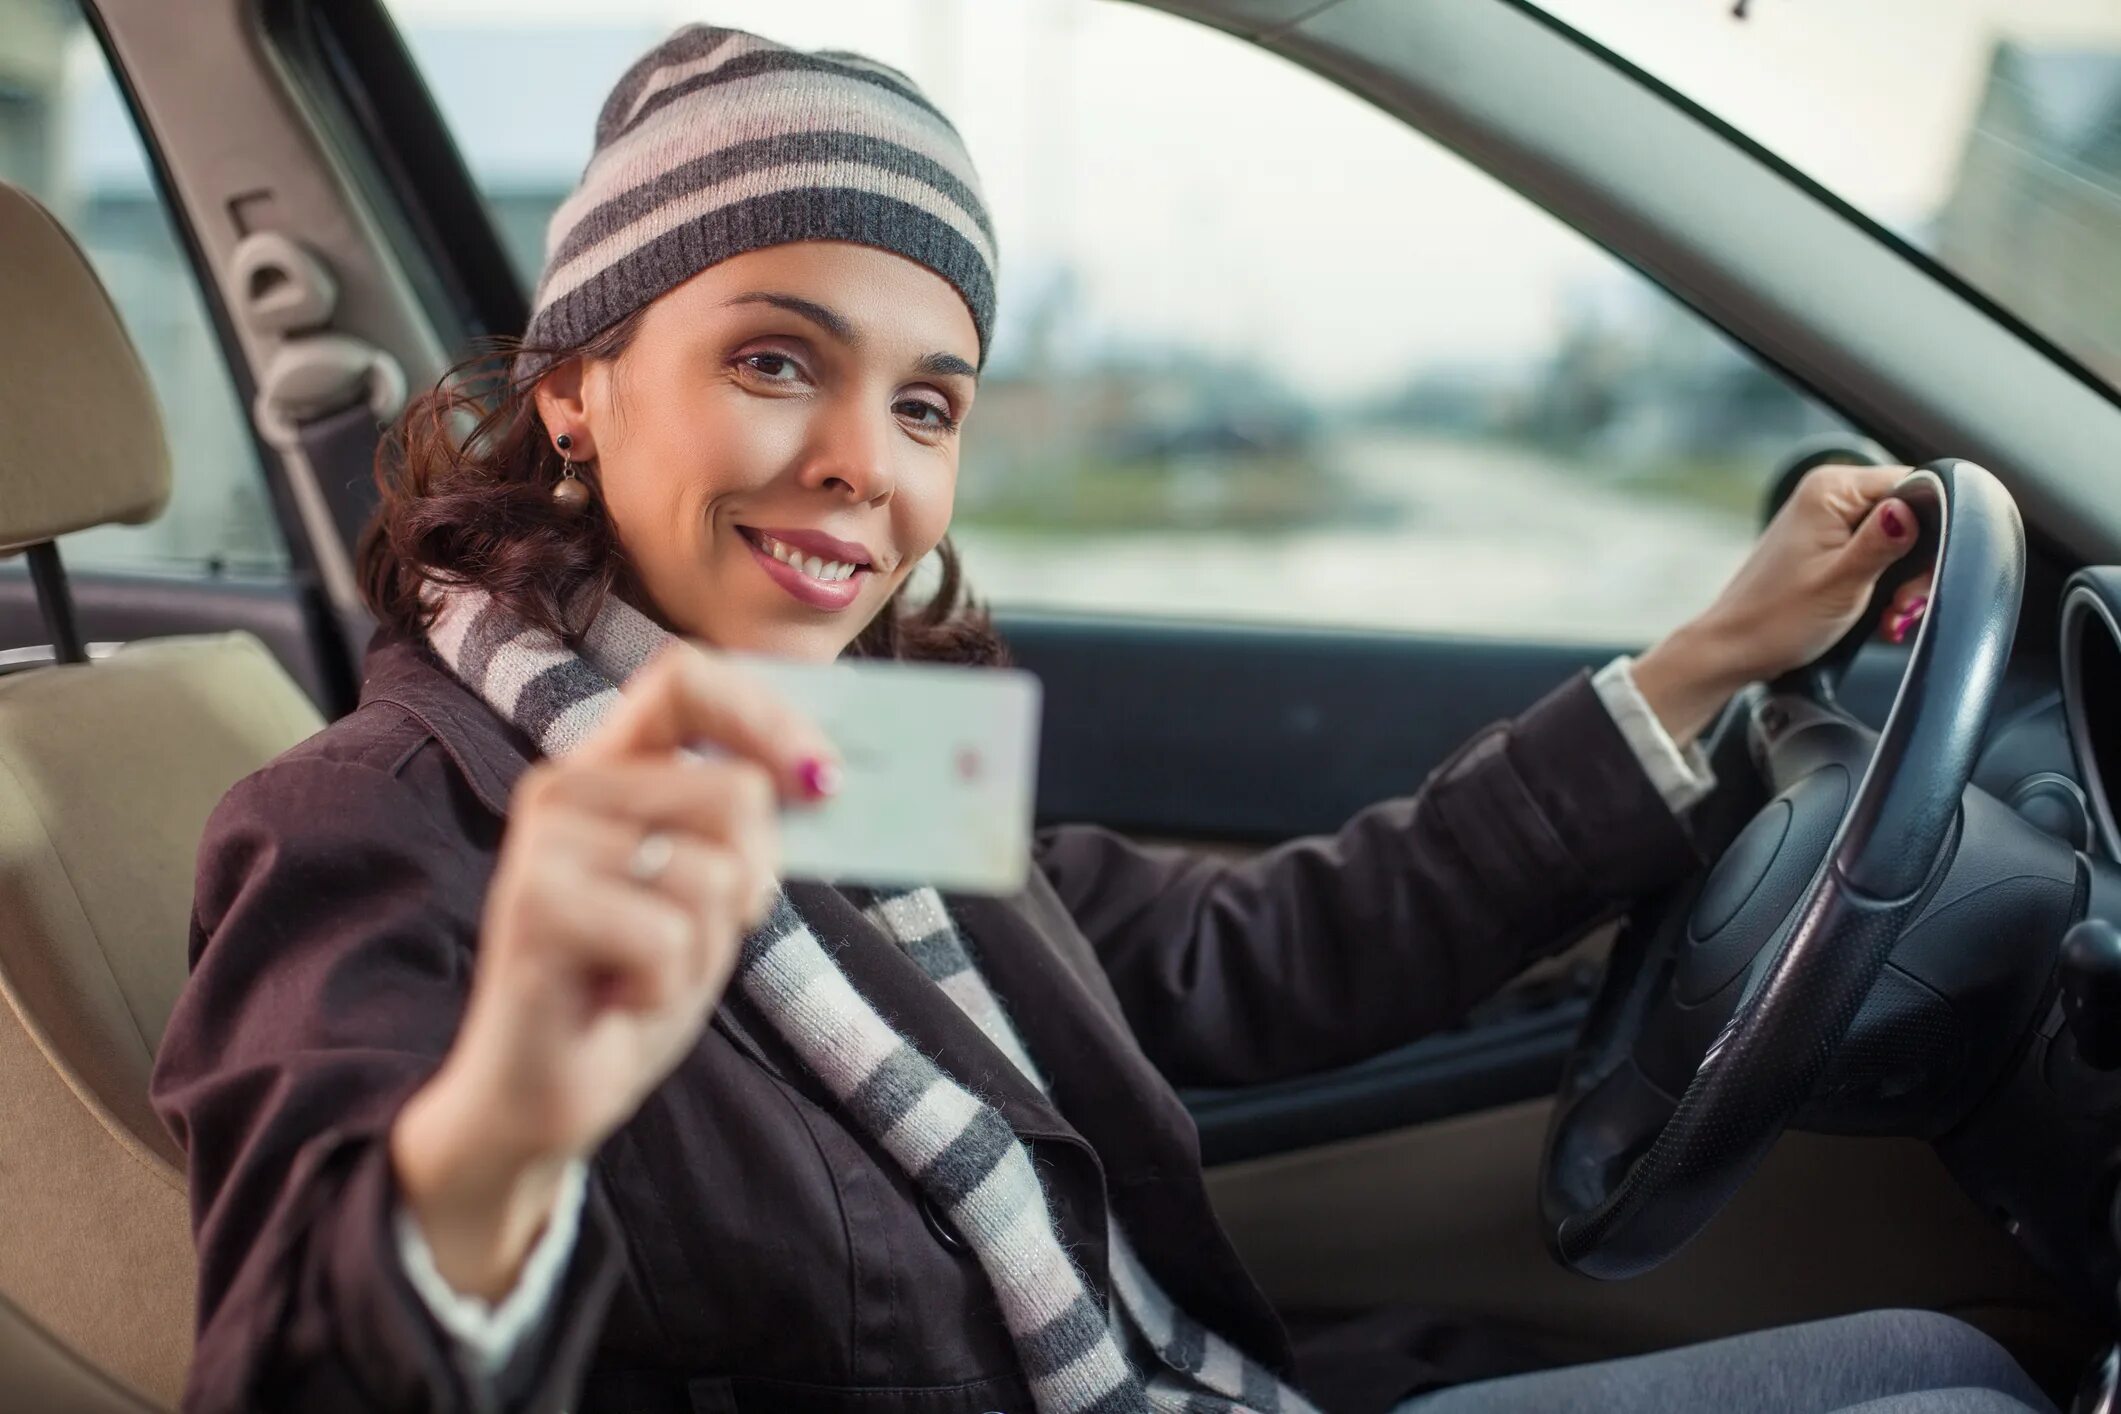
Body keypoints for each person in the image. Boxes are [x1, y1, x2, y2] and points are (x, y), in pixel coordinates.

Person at [148, 23, 2048, 1414]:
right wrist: (506, 1123)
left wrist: (1706, 659)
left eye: (926, 403)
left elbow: (1245, 957)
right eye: (774, 360)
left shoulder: (831, 747)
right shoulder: (363, 820)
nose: (856, 469)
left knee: (1940, 1362)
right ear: (575, 386)